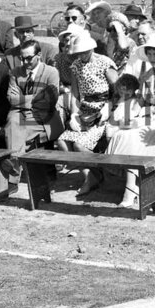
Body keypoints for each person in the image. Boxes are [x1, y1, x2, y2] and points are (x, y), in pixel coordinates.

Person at [107, 33, 155, 209]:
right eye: (149, 53)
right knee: (122, 133)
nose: (152, 57)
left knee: (132, 137)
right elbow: (141, 100)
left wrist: (150, 110)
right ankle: (132, 187)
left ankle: (131, 191)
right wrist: (132, 114)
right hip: (149, 117)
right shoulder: (147, 74)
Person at [58, 33, 118, 195]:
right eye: (79, 52)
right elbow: (75, 94)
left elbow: (118, 88)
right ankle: (90, 176)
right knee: (62, 142)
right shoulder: (76, 65)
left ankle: (99, 172)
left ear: (92, 49)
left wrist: (110, 105)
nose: (82, 55)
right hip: (85, 110)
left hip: (104, 110)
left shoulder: (104, 63)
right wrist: (73, 115)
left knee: (79, 145)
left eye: (85, 51)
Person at [3, 39, 62, 180]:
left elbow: (48, 101)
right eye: (22, 58)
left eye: (29, 58)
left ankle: (14, 172)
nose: (25, 62)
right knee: (13, 122)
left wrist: (23, 99)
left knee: (13, 130)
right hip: (19, 114)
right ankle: (16, 168)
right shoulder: (15, 73)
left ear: (39, 55)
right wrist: (36, 98)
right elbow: (11, 99)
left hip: (43, 117)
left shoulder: (51, 72)